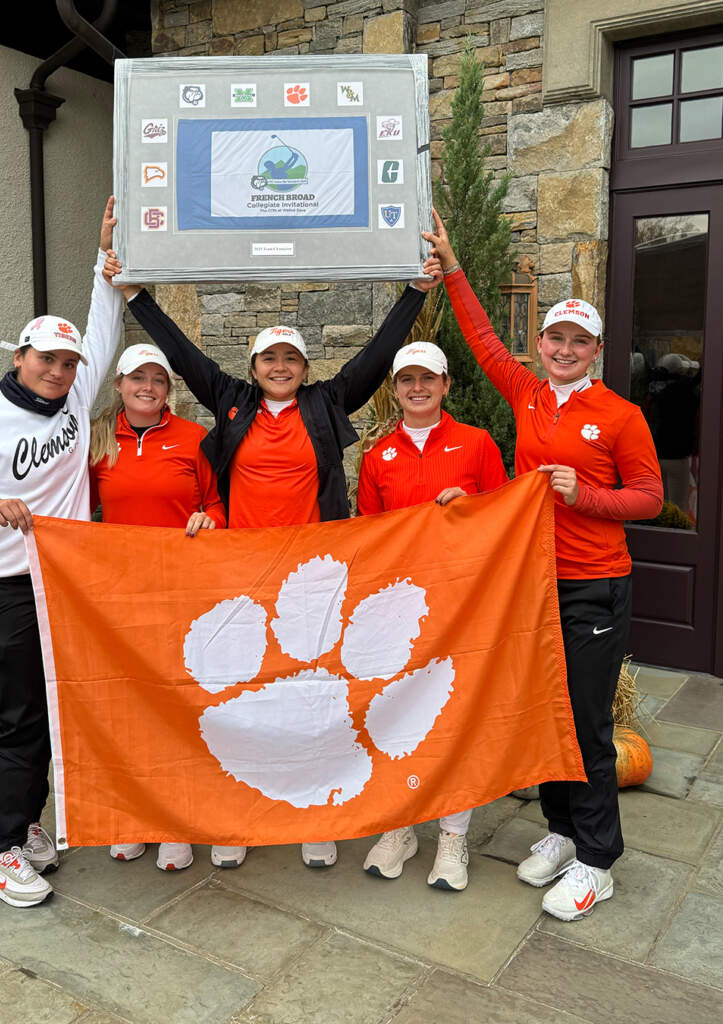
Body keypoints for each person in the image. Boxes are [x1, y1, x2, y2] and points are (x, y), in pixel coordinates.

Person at [103, 249, 443, 869]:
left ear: (304, 368)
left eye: (290, 358)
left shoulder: (326, 403)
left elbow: (372, 356)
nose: (280, 367)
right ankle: (240, 818)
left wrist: (416, 291)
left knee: (313, 689)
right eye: (269, 358)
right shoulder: (230, 400)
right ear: (253, 366)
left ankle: (315, 812)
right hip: (241, 573)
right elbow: (180, 353)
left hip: (313, 576)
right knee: (244, 690)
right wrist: (134, 297)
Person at [423, 211, 662, 921]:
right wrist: (453, 265)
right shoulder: (526, 393)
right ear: (542, 344)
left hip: (593, 585)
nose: (562, 349)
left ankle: (597, 861)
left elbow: (648, 497)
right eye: (553, 337)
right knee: (544, 716)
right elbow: (482, 340)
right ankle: (560, 832)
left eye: (576, 340)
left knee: (587, 725)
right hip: (530, 582)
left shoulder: (618, 415)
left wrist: (583, 494)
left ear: (593, 349)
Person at [0, 198, 124, 908]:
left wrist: (104, 258)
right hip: (0, 588)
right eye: (46, 359)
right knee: (22, 720)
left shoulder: (70, 405)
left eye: (68, 363)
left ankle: (27, 827)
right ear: (19, 356)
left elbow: (105, 326)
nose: (59, 371)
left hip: (60, 584)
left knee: (54, 709)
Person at [357, 340, 508, 890]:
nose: (417, 389)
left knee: (454, 718)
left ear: (446, 385)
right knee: (397, 716)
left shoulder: (477, 444)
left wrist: (472, 512)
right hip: (399, 611)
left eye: (428, 379)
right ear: (395, 390)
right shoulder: (378, 455)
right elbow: (369, 533)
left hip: (461, 606)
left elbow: (504, 520)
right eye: (406, 380)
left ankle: (452, 835)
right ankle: (400, 825)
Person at [89, 341, 226, 871]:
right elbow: (78, 511)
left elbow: (217, 504)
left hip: (184, 593)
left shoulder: (194, 439)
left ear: (169, 389)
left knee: (180, 704)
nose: (148, 387)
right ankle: (138, 813)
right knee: (130, 706)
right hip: (120, 597)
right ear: (119, 384)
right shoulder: (98, 442)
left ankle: (179, 820)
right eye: (137, 378)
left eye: (159, 379)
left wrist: (210, 519)